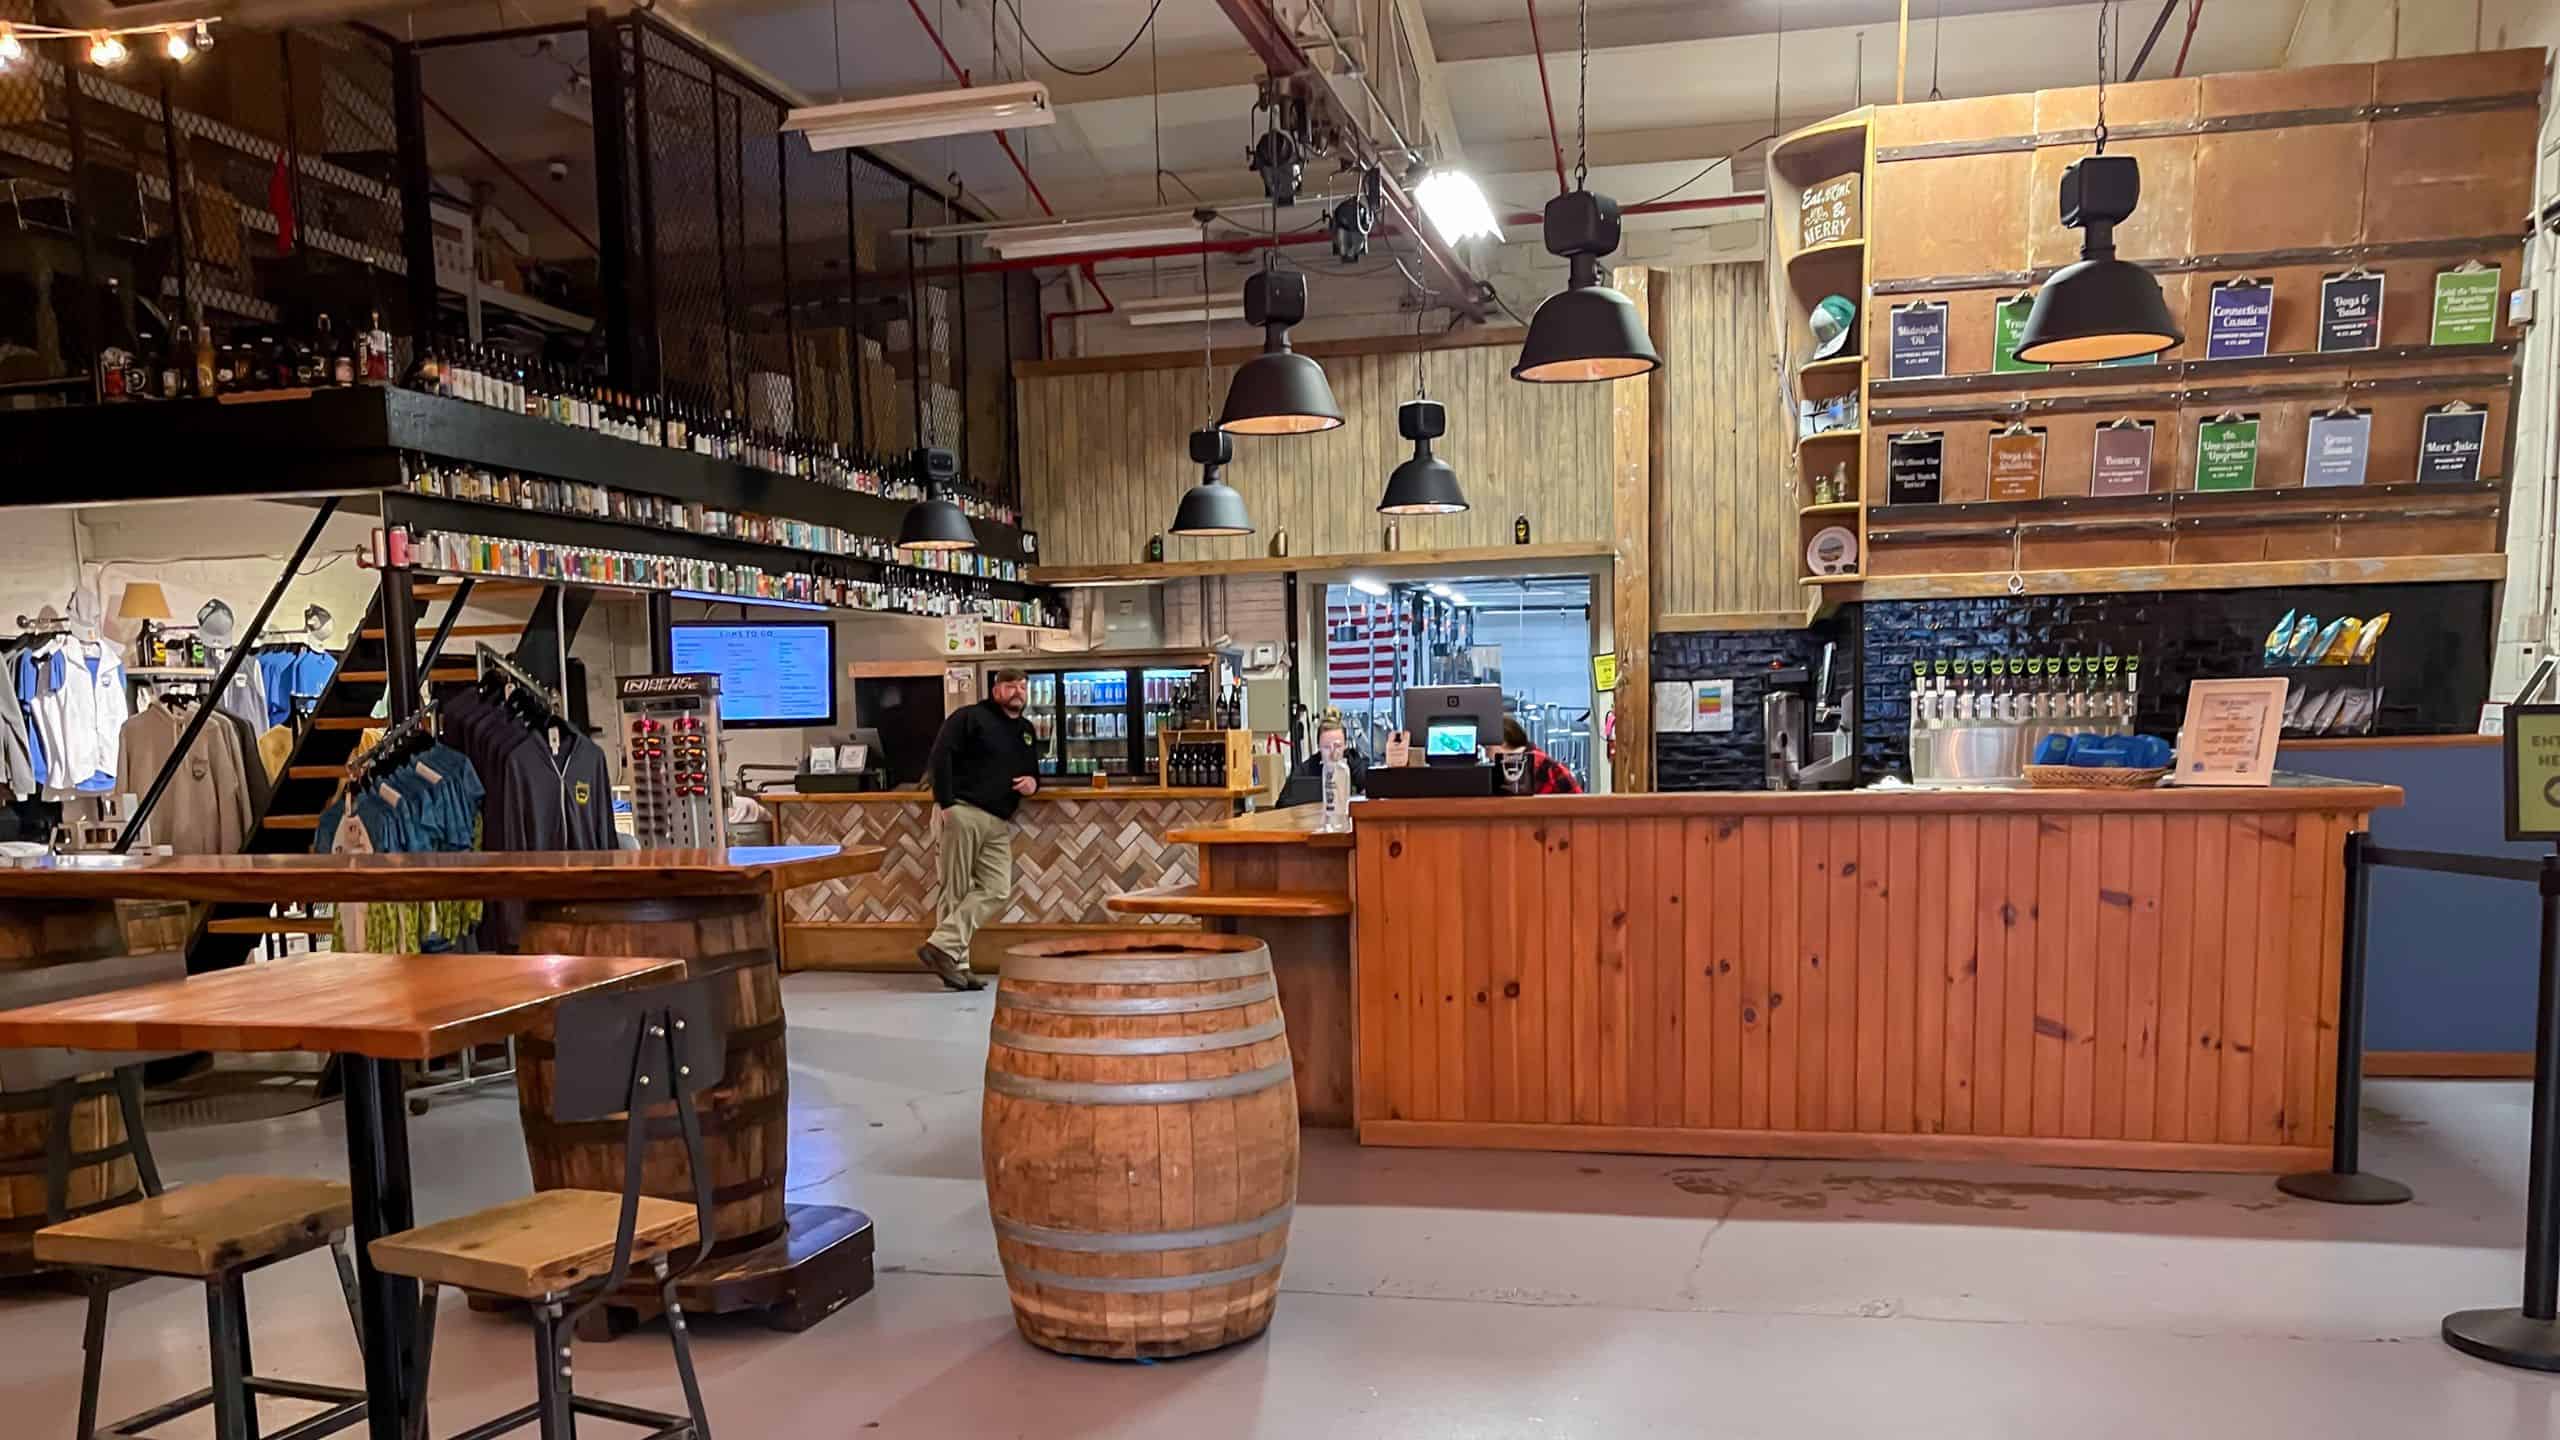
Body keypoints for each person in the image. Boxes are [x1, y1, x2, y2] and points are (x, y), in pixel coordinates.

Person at [917, 668, 1039, 991]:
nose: (1018, 691)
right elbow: (940, 757)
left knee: (997, 888)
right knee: (954, 888)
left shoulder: (1026, 730)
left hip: (998, 820)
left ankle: (942, 945)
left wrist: (1033, 783)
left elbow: (1032, 771)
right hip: (963, 810)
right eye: (1010, 685)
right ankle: (958, 966)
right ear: (995, 689)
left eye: (1023, 686)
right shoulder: (969, 717)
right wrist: (946, 805)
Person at [1497, 715, 1583, 795]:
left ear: (1503, 742)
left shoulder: (1532, 761)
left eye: (1488, 748)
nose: (1486, 754)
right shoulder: (1533, 758)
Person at [1288, 716, 1368, 797]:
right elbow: (1283, 803)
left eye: (1338, 746)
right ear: (1319, 747)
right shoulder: (1305, 771)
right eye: (1327, 747)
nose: (1333, 752)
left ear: (1345, 745)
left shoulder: (1354, 763)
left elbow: (1370, 793)